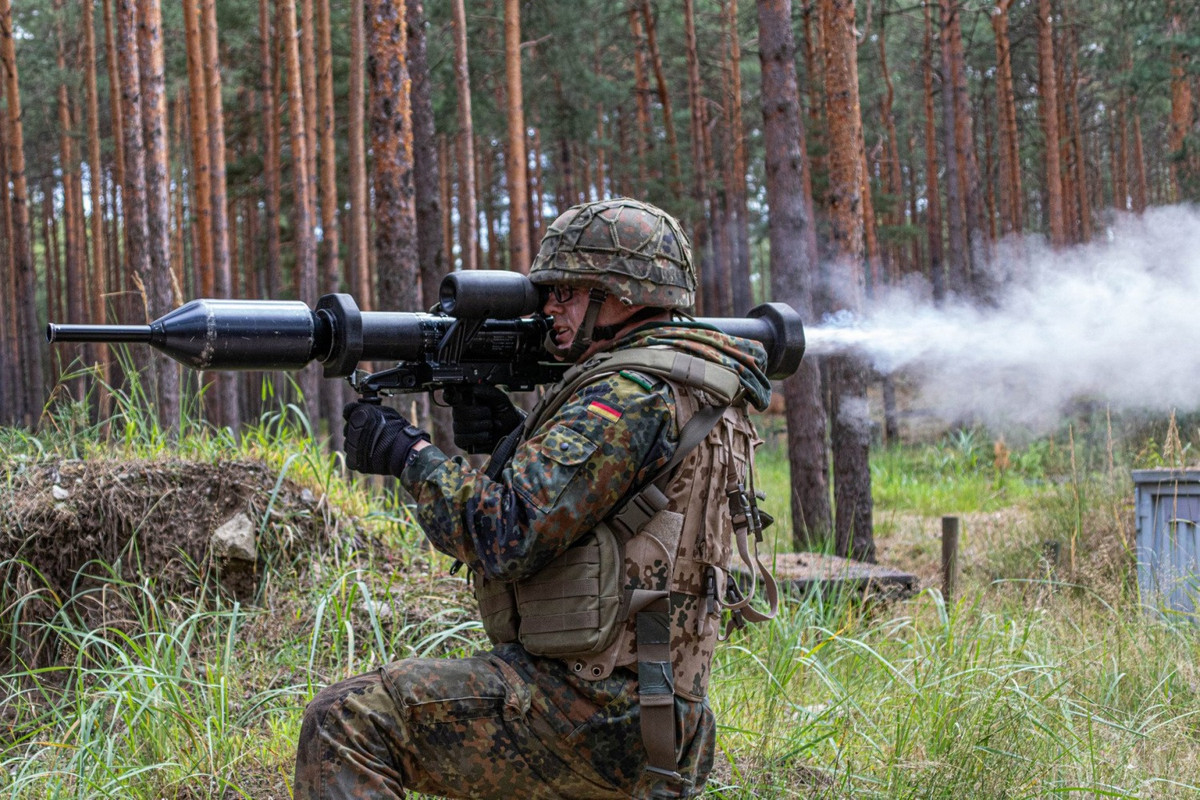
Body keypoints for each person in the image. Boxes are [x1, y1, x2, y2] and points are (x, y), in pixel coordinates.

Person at [294, 198, 775, 799]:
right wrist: (511, 436)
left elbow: (506, 535)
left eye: (566, 292)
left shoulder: (626, 394)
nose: (549, 308)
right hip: (660, 712)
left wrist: (408, 455)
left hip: (593, 714)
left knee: (345, 720)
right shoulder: (690, 378)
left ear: (623, 295)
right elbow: (615, 505)